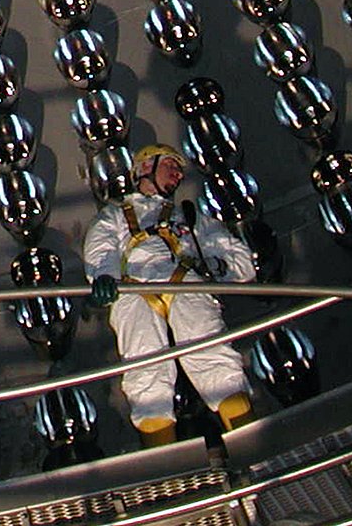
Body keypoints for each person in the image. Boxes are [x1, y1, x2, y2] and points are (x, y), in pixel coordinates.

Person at [82, 144, 257, 448]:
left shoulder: (190, 217)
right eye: (170, 166)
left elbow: (240, 260)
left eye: (179, 170)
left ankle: (251, 447)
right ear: (144, 167)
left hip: (185, 284)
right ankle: (165, 466)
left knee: (214, 359)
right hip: (134, 290)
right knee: (146, 374)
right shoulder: (113, 217)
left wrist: (216, 267)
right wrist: (103, 279)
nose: (177, 175)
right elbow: (101, 252)